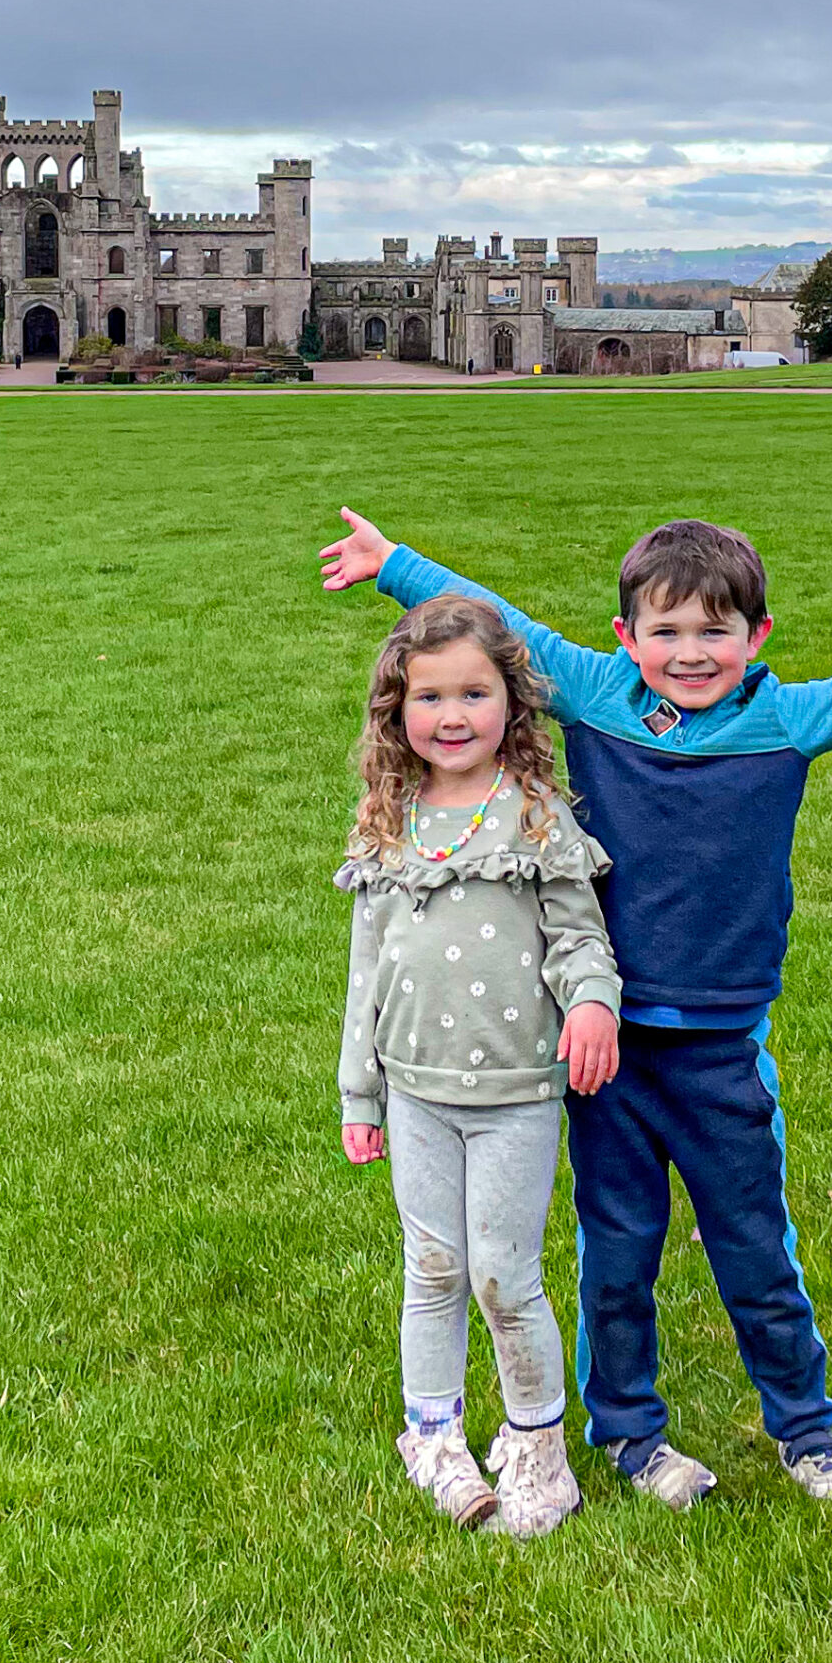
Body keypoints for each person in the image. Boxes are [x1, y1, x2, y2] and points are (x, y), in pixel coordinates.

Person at [321, 511, 832, 1512]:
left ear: (756, 639)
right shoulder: (597, 696)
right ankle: (628, 1433)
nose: (689, 653)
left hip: (721, 1052)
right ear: (624, 639)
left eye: (714, 631)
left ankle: (806, 1432)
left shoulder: (789, 717)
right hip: (599, 1048)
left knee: (752, 1249)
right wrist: (395, 566)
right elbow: (502, 634)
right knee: (616, 1253)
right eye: (666, 632)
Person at [337, 592, 623, 1538]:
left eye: (473, 693)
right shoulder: (387, 823)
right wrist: (360, 1092)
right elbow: (366, 974)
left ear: (512, 704)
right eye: (428, 697)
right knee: (431, 1267)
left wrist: (591, 1002)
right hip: (414, 1093)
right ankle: (432, 1436)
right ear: (396, 711)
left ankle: (539, 1455)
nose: (450, 716)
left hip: (514, 1095)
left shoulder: (535, 818)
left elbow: (581, 943)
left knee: (504, 1275)